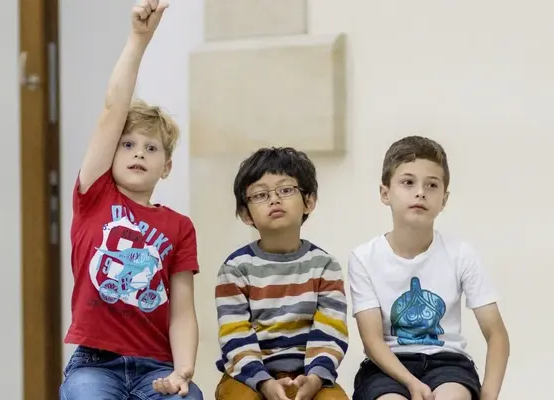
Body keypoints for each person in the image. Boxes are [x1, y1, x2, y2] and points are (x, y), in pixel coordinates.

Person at [58, 1, 201, 399]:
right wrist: (140, 39)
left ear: (166, 167)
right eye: (128, 144)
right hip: (94, 365)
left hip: (156, 366)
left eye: (151, 148)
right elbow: (112, 107)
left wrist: (183, 372)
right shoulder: (94, 195)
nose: (139, 153)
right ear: (111, 153)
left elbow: (183, 310)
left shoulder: (179, 227)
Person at [348, 136, 509, 400]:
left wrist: (488, 396)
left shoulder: (461, 254)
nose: (420, 192)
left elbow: (497, 334)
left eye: (431, 185)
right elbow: (373, 341)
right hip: (386, 367)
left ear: (444, 200)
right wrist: (411, 383)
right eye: (408, 182)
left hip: (448, 364)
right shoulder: (364, 257)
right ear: (385, 193)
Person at [213, 148, 349, 400]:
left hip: (308, 373)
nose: (274, 200)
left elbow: (331, 330)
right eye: (260, 195)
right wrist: (262, 381)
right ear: (245, 213)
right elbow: (235, 334)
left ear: (309, 201)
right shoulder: (235, 268)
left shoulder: (325, 265)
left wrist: (315, 377)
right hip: (249, 376)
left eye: (286, 190)